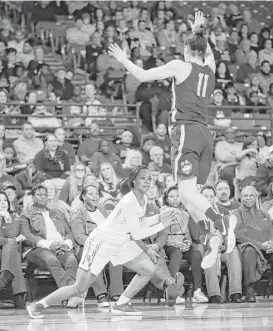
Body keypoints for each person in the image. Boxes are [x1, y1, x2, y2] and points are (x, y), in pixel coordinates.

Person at [108, 11, 237, 269]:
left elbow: (143, 76)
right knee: (190, 197)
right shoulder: (210, 70)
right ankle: (210, 235)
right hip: (204, 133)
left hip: (187, 131)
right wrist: (200, 31)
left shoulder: (181, 65)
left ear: (187, 50)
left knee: (186, 192)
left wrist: (123, 59)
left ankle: (222, 219)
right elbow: (208, 52)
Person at [27, 165, 180, 318]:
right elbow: (138, 232)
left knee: (148, 269)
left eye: (149, 178)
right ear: (133, 181)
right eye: (143, 178)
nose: (147, 182)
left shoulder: (143, 198)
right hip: (101, 242)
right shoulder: (128, 201)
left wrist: (159, 217)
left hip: (121, 241)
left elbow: (139, 223)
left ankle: (121, 304)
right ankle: (39, 305)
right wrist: (162, 224)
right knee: (79, 288)